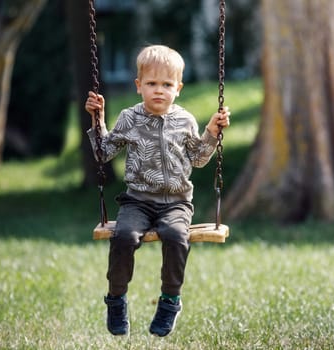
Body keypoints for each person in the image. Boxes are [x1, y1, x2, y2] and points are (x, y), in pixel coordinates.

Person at [84, 45, 231, 337]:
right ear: (139, 86)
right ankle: (116, 299)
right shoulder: (129, 118)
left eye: (166, 84)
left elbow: (199, 159)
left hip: (176, 203)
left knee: (176, 237)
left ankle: (170, 301)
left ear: (178, 87)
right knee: (124, 237)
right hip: (137, 201)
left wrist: (212, 133)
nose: (159, 91)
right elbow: (103, 153)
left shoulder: (185, 120)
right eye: (151, 84)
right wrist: (98, 121)